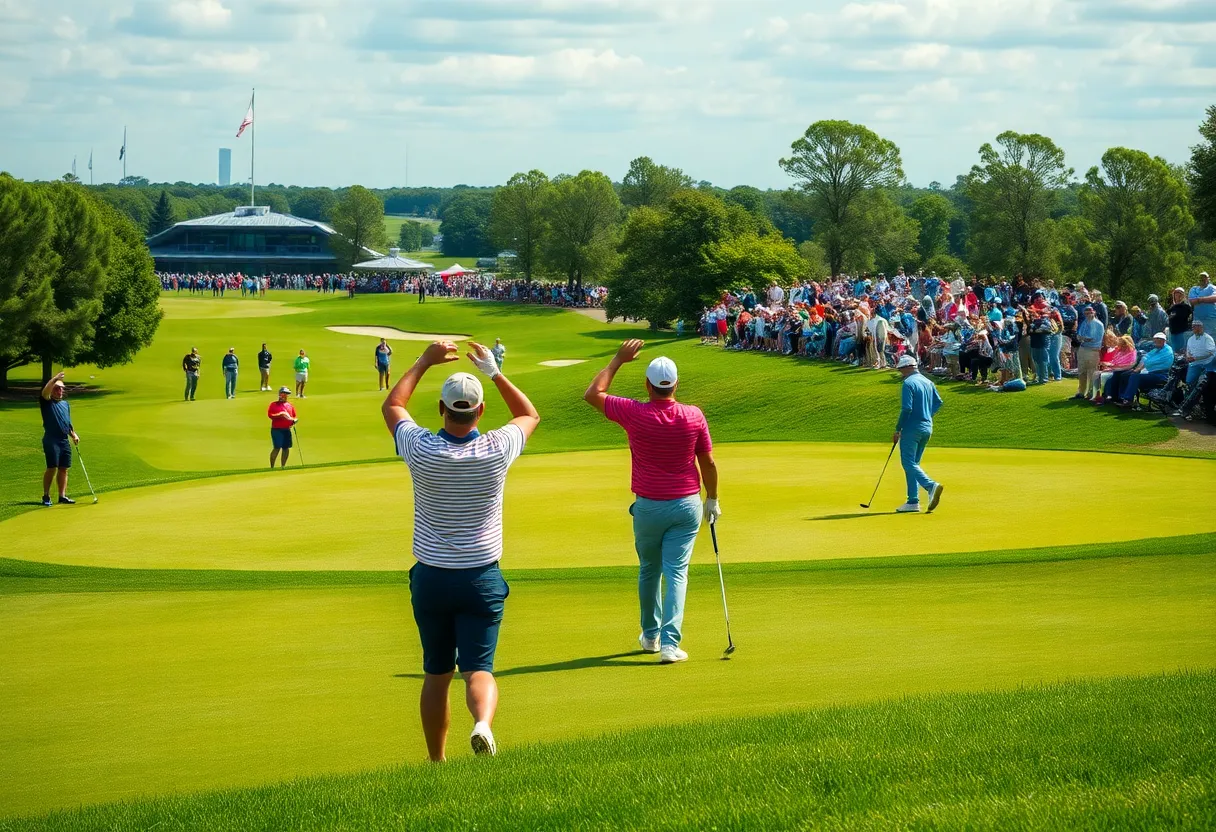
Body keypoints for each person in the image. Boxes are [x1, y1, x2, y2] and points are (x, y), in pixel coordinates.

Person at [382, 340, 540, 761]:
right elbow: (529, 414)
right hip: (481, 576)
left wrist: (424, 361)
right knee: (479, 669)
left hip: (432, 577)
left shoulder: (420, 448)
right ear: (480, 411)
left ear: (441, 408)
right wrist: (494, 371)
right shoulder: (495, 449)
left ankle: (437, 761)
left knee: (436, 674)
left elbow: (393, 406)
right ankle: (483, 724)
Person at [583, 340, 719, 665]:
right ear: (676, 385)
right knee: (677, 573)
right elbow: (709, 463)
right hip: (686, 505)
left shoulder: (634, 412)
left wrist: (617, 359)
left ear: (647, 384)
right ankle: (671, 645)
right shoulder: (693, 415)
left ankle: (650, 636)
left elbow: (592, 393)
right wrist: (712, 499)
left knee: (649, 570)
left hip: (647, 506)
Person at [893, 355, 944, 514]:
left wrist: (898, 429)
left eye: (901, 369)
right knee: (913, 464)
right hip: (927, 428)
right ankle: (913, 501)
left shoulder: (908, 383)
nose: (901, 373)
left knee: (908, 463)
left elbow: (906, 409)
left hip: (911, 428)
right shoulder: (928, 382)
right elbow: (938, 402)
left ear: (908, 367)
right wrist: (927, 414)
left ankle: (930, 486)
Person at [39, 371, 79, 506]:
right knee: (52, 467)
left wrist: (73, 434)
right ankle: (46, 496)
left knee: (64, 468)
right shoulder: (47, 402)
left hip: (63, 440)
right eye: (56, 388)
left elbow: (66, 422)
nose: (60, 391)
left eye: (61, 388)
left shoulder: (65, 405)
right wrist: (55, 379)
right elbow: (45, 392)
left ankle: (62, 496)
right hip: (51, 439)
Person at [1117, 333, 1175, 407]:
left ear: (1164, 341)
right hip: (1150, 374)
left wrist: (1145, 363)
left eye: (1159, 340)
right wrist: (1138, 369)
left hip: (1161, 376)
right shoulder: (1155, 350)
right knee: (1125, 375)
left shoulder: (1167, 350)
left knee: (1135, 377)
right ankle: (1122, 398)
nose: (1156, 342)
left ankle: (1128, 400)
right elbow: (1145, 358)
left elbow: (1150, 361)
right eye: (1156, 340)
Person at [1073, 306, 1104, 400]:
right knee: (1081, 371)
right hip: (1082, 349)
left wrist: (1082, 338)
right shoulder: (1084, 322)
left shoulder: (1098, 324)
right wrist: (1081, 338)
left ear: (1093, 312)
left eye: (1089, 313)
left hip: (1093, 350)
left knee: (1092, 372)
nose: (1087, 315)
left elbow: (1092, 338)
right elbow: (1079, 335)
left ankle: (1091, 393)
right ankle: (1081, 392)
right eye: (1086, 313)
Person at [267, 387, 298, 468]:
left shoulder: (289, 405)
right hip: (277, 429)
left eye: (286, 394)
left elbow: (294, 416)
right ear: (280, 394)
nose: (285, 395)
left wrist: (294, 420)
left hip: (287, 429)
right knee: (277, 447)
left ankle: (283, 466)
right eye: (283, 393)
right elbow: (270, 415)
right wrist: (280, 415)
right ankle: (272, 467)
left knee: (286, 448)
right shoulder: (274, 405)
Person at [1182, 320, 1215, 389]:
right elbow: (1188, 350)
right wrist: (1188, 357)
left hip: (1207, 363)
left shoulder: (1207, 338)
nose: (1192, 328)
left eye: (1195, 326)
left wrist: (1196, 358)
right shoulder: (1190, 339)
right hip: (1194, 363)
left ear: (1201, 327)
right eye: (1192, 326)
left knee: (1206, 385)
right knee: (1189, 382)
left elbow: (1210, 352)